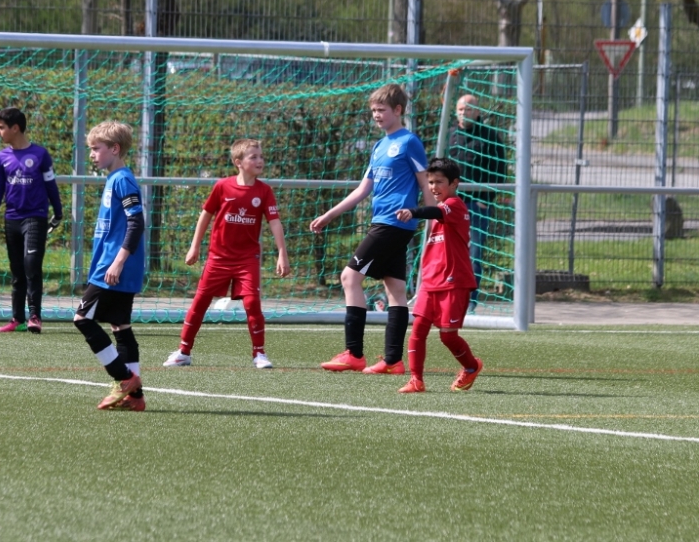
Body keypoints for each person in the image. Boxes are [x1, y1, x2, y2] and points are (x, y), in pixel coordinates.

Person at [310, 83, 435, 374]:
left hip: (394, 223)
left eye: (381, 110)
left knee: (349, 277)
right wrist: (329, 215)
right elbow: (363, 189)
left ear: (398, 110)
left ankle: (354, 353)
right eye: (373, 111)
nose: (376, 115)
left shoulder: (409, 142)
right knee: (396, 289)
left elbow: (425, 185)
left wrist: (433, 223)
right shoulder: (379, 146)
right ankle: (393, 361)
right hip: (384, 223)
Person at [163, 139, 291, 369]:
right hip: (218, 258)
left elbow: (274, 222)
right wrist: (194, 246)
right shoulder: (223, 186)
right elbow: (205, 215)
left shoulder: (264, 191)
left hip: (247, 259)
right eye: (253, 157)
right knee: (200, 301)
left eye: (261, 156)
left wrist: (282, 253)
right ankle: (183, 351)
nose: (260, 160)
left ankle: (259, 354)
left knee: (252, 303)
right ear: (238, 162)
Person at [71, 120, 147, 411]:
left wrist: (117, 262)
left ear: (114, 149)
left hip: (113, 267)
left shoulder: (123, 179)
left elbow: (136, 223)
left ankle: (123, 378)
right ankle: (135, 398)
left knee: (82, 319)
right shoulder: (114, 178)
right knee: (120, 325)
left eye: (96, 148)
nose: (92, 154)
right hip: (114, 265)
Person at [394, 158, 483, 393]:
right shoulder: (440, 209)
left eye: (439, 182)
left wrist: (413, 211)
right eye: (430, 182)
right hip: (430, 281)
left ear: (454, 183)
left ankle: (472, 367)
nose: (433, 187)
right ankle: (416, 380)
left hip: (453, 281)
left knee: (448, 336)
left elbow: (433, 210)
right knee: (418, 330)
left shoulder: (454, 205)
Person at [0, 107, 64, 334]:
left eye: (1, 127)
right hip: (12, 219)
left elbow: (51, 185)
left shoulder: (40, 155)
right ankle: (17, 318)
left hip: (35, 217)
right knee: (17, 271)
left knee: (31, 265)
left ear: (15, 128)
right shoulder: (2, 157)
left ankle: (35, 316)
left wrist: (58, 213)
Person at [446, 93, 507, 312]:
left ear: (477, 111)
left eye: (469, 109)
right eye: (461, 110)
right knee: (449, 253)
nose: (464, 113)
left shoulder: (489, 137)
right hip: (452, 204)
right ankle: (449, 298)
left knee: (474, 254)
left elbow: (499, 170)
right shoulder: (450, 135)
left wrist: (485, 199)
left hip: (477, 206)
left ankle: (469, 302)